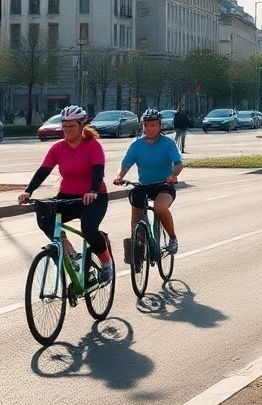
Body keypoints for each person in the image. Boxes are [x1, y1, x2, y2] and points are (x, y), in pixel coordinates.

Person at [17, 105, 114, 280]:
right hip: (67, 197)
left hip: (93, 198)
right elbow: (43, 170)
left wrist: (92, 191)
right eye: (65, 126)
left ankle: (106, 263)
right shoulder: (58, 148)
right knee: (44, 214)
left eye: (71, 126)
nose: (67, 130)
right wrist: (28, 191)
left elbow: (98, 170)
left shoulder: (93, 146)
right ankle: (70, 253)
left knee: (89, 229)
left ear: (81, 125)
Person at [113, 108, 183, 255]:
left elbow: (178, 163)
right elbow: (126, 163)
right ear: (142, 126)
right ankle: (138, 247)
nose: (149, 129)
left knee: (160, 207)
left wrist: (173, 175)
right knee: (135, 220)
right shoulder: (137, 144)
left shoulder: (167, 143)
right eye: (146, 125)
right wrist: (119, 175)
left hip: (164, 186)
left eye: (153, 125)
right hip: (144, 186)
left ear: (159, 126)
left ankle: (172, 238)